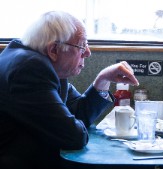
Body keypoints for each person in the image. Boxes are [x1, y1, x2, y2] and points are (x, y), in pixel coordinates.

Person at [0, 11, 139, 169]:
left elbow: (78, 111)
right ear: (54, 50)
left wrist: (103, 80)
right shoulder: (30, 69)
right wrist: (71, 123)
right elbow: (74, 136)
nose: (87, 52)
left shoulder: (36, 62)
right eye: (82, 45)